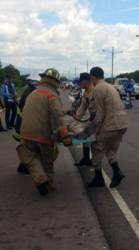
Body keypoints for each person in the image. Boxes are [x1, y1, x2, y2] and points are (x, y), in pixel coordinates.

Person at [18, 68, 72, 196]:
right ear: (55, 82)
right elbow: (57, 117)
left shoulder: (33, 93)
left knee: (32, 159)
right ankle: (48, 185)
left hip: (25, 133)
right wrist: (65, 136)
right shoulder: (52, 95)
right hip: (42, 135)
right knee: (47, 161)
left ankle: (40, 179)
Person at [87, 67, 128, 188]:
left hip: (110, 124)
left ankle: (98, 179)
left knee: (96, 147)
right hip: (122, 124)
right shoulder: (110, 86)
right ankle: (117, 173)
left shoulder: (98, 88)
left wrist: (94, 130)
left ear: (93, 77)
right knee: (111, 149)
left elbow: (100, 113)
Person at [13, 79, 39, 174]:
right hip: (24, 124)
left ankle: (23, 166)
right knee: (29, 147)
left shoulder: (27, 92)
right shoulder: (30, 95)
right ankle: (23, 167)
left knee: (28, 147)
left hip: (22, 124)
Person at [74, 72, 95, 167]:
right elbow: (82, 107)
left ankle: (95, 164)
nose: (79, 84)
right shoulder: (86, 92)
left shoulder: (95, 91)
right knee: (85, 138)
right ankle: (86, 159)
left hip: (98, 120)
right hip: (90, 118)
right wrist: (77, 118)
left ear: (86, 81)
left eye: (80, 82)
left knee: (95, 143)